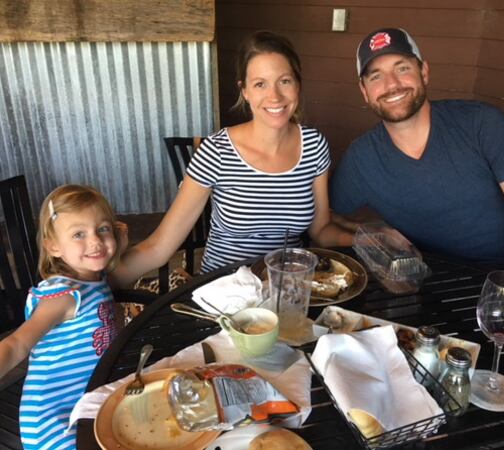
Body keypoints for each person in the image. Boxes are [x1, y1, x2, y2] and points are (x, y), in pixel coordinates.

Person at [330, 27, 504, 301]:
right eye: (376, 76)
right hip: (431, 284)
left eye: (402, 68)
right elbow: (327, 218)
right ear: (364, 91)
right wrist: (374, 235)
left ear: (424, 72)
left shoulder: (480, 124)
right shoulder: (362, 157)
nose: (391, 84)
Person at [112, 30, 353, 286]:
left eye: (284, 81)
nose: (275, 96)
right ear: (245, 90)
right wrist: (94, 284)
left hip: (285, 290)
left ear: (298, 84)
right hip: (223, 293)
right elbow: (159, 247)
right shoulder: (216, 152)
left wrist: (367, 239)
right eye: (260, 84)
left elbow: (320, 230)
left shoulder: (314, 146)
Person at [0, 185, 126, 449]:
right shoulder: (64, 295)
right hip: (55, 419)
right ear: (53, 246)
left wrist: (119, 244)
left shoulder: (96, 280)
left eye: (102, 228)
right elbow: (17, 345)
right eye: (79, 234)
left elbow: (150, 249)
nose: (95, 241)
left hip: (89, 404)